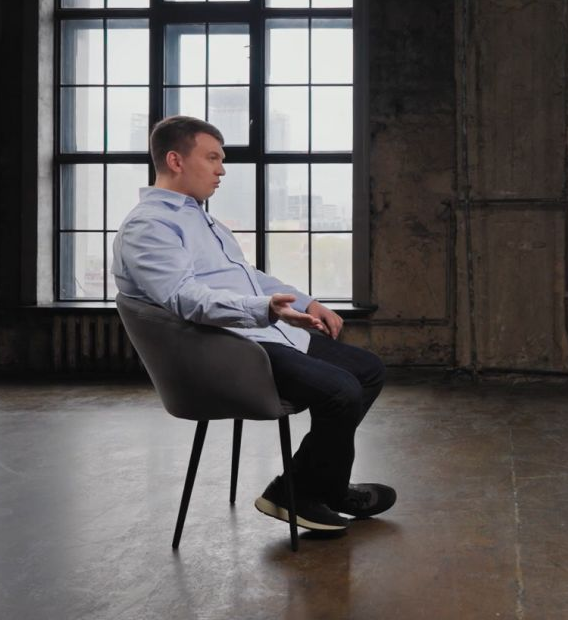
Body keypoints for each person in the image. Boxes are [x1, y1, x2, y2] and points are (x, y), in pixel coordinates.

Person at [113, 115, 395, 534]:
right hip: (227, 351)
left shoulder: (204, 220)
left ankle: (316, 488)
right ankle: (306, 492)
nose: (222, 170)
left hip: (258, 335)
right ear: (175, 160)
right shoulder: (148, 227)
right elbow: (185, 298)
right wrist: (264, 310)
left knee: (368, 370)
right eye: (212, 158)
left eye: (221, 160)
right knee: (341, 390)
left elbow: (249, 277)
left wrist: (308, 303)